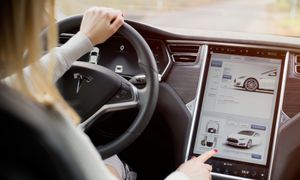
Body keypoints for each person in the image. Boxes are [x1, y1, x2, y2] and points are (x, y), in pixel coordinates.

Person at [0, 1, 216, 180]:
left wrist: (84, 40)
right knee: (111, 163)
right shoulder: (41, 127)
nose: (47, 16)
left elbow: (19, 85)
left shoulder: (12, 110)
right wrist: (183, 177)